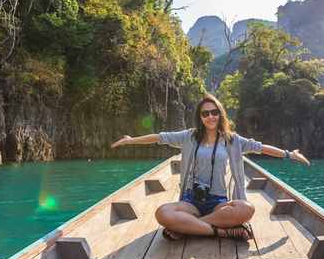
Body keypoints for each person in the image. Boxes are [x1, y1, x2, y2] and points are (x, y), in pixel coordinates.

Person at [110, 94, 310, 241]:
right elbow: (159, 137)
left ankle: (188, 227)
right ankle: (221, 231)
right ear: (200, 117)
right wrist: (130, 140)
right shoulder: (189, 136)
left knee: (246, 209)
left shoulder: (233, 141)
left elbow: (261, 148)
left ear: (220, 114)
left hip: (218, 202)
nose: (210, 117)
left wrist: (288, 154)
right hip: (191, 201)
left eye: (214, 112)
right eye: (205, 113)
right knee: (162, 213)